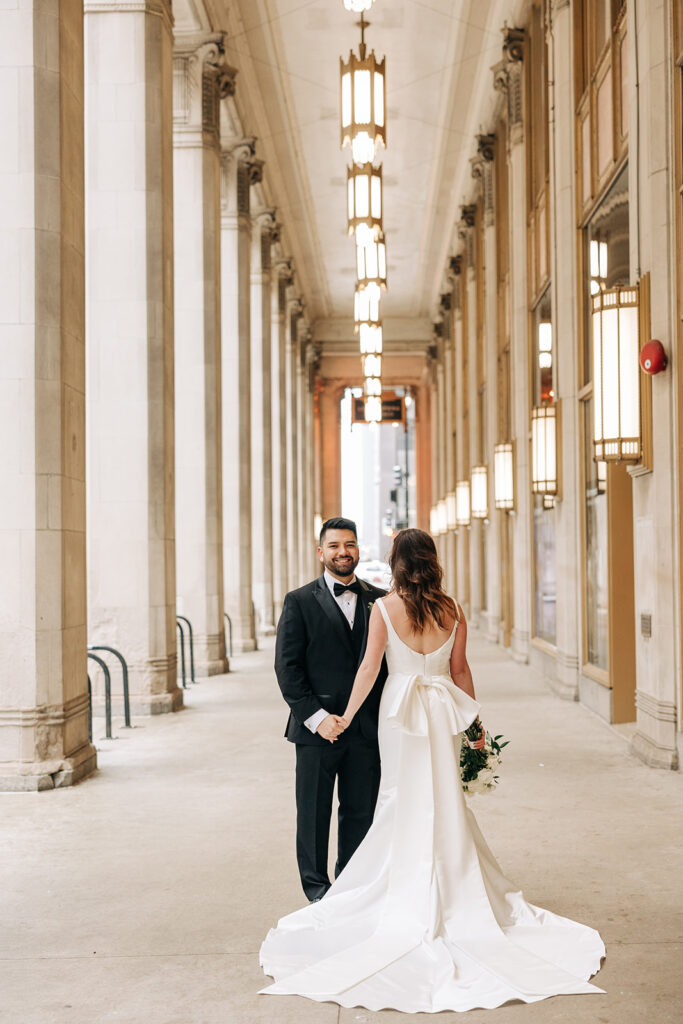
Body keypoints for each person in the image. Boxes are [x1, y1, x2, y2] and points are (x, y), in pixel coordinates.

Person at [260, 528, 606, 1013]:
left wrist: (347, 716)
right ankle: (451, 885)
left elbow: (368, 670)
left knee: (399, 795)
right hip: (442, 708)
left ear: (396, 563)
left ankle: (390, 887)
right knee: (443, 796)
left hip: (400, 713)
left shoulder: (384, 608)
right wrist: (475, 722)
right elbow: (460, 669)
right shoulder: (453, 608)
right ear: (433, 560)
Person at [273, 517, 388, 902]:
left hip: (366, 729)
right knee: (313, 813)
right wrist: (319, 719)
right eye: (335, 546)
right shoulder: (299, 601)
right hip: (315, 730)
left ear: (359, 550)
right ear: (321, 553)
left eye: (350, 545)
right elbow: (287, 669)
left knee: (360, 812)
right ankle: (318, 892)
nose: (343, 552)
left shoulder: (383, 600)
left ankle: (352, 887)